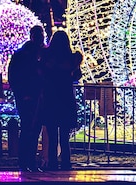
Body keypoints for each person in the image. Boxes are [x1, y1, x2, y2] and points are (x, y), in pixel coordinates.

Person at [40, 29, 83, 170]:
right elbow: (77, 76)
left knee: (52, 135)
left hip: (51, 98)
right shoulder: (70, 59)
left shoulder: (47, 56)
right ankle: (65, 162)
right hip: (65, 99)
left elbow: (42, 73)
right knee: (64, 136)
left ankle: (52, 162)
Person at [8, 25, 46, 172]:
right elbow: (15, 76)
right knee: (28, 129)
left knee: (34, 129)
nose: (40, 38)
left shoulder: (40, 53)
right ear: (32, 36)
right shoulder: (23, 55)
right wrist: (22, 93)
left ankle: (30, 161)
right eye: (38, 35)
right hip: (28, 97)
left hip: (38, 96)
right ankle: (25, 161)